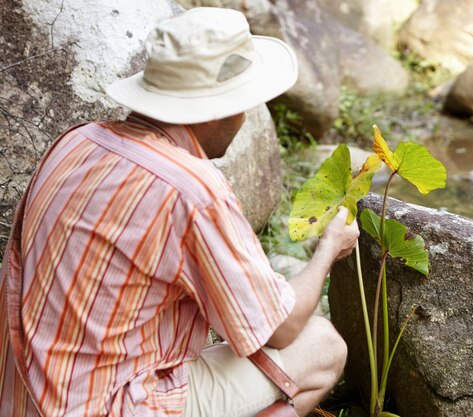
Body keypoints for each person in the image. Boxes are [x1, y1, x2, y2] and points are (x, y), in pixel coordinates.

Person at [0, 7, 359, 417]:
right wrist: (329, 248)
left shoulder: (76, 141)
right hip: (104, 406)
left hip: (21, 393)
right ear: (219, 109)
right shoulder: (192, 191)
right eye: (244, 104)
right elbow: (280, 329)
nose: (244, 118)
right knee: (322, 346)